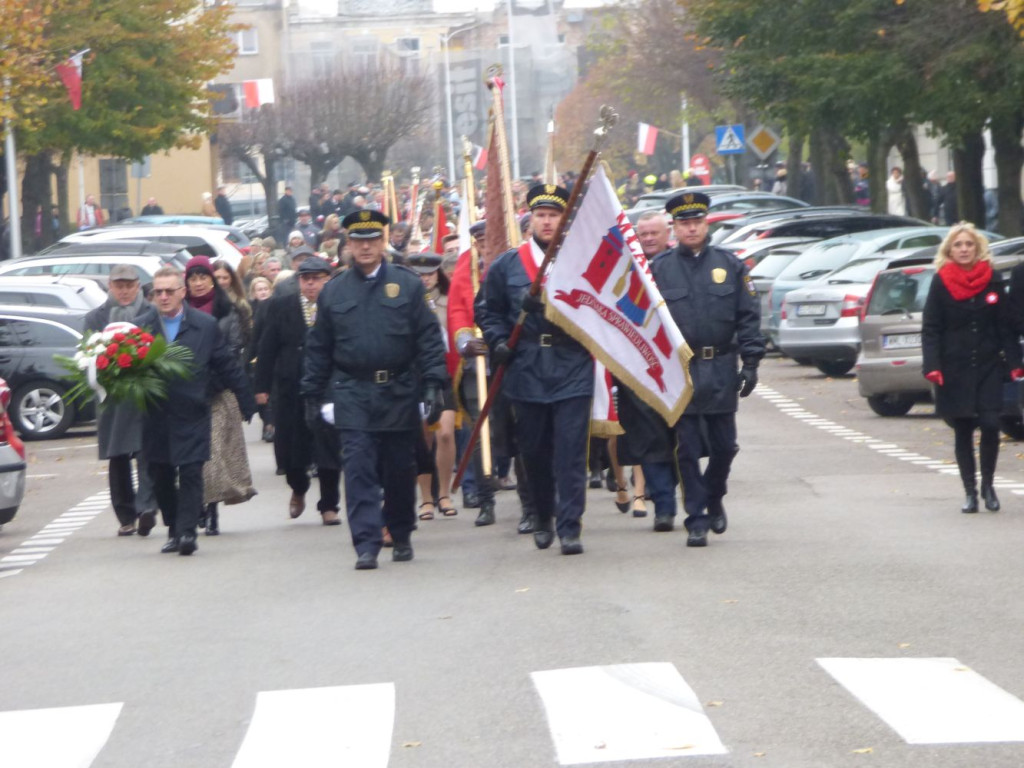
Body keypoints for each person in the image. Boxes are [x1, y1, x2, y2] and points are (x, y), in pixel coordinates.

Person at [301, 209, 448, 570]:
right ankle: (366, 542)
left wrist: (433, 385)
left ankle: (400, 531)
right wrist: (313, 394)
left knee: (399, 468)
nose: (365, 247)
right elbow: (319, 347)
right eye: (357, 241)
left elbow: (428, 339)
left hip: (398, 389)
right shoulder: (334, 290)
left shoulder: (408, 284)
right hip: (352, 391)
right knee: (358, 468)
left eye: (371, 240)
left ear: (383, 243)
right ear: (348, 245)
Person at [477, 183, 594, 555]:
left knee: (570, 453)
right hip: (527, 365)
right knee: (535, 452)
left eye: (554, 215)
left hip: (572, 362)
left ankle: (570, 527)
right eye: (541, 215)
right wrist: (498, 341)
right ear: (530, 219)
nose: (547, 222)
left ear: (565, 220)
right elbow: (487, 310)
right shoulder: (508, 264)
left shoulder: (583, 261)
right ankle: (543, 516)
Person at [650, 191, 765, 547]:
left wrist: (751, 363)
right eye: (684, 223)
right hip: (680, 370)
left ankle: (714, 496)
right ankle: (696, 518)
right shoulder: (659, 269)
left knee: (724, 446)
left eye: (697, 222)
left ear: (706, 224)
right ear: (674, 227)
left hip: (720, 367)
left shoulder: (730, 265)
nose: (691, 228)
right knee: (686, 449)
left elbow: (748, 317)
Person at [144, 266, 255, 555]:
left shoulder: (204, 325)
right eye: (158, 292)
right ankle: (173, 527)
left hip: (192, 411)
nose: (164, 297)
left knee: (192, 471)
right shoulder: (141, 327)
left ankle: (187, 532)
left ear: (182, 292)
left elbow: (225, 363)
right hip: (155, 414)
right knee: (160, 474)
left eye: (169, 291)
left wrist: (246, 399)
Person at [925, 223, 1020, 514]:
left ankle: (988, 485)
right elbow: (931, 328)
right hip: (954, 368)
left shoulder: (992, 279)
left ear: (978, 248)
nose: (964, 249)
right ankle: (970, 492)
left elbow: (1005, 325)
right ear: (949, 251)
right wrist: (933, 365)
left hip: (989, 365)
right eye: (958, 245)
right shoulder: (941, 281)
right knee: (963, 429)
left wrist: (1015, 363)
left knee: (991, 424)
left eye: (969, 244)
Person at [256, 256, 343, 526]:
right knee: (290, 449)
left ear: (327, 280)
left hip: (327, 387)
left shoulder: (337, 305)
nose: (310, 284)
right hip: (290, 386)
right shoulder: (281, 305)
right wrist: (261, 387)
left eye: (316, 279)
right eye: (306, 279)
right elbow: (267, 347)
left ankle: (329, 505)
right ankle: (299, 487)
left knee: (327, 447)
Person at [84, 264, 160, 536]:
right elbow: (87, 355)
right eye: (119, 286)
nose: (124, 291)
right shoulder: (96, 317)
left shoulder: (151, 313)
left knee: (147, 451)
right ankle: (126, 516)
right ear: (110, 287)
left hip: (143, 394)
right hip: (112, 397)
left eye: (129, 286)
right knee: (118, 457)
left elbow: (160, 348)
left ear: (138, 286)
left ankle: (147, 507)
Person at [184, 256, 255, 535]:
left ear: (212, 280)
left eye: (203, 277)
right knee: (191, 458)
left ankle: (211, 509)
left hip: (217, 392)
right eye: (193, 278)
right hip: (186, 395)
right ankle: (198, 505)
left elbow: (233, 351)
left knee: (212, 453)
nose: (198, 283)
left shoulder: (227, 311)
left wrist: (243, 396)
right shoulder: (179, 312)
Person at [407, 252, 459, 521]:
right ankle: (426, 497)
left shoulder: (450, 301)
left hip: (443, 373)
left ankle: (444, 493)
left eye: (429, 274)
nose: (425, 279)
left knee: (445, 433)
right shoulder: (405, 301)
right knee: (422, 437)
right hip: (415, 375)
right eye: (420, 275)